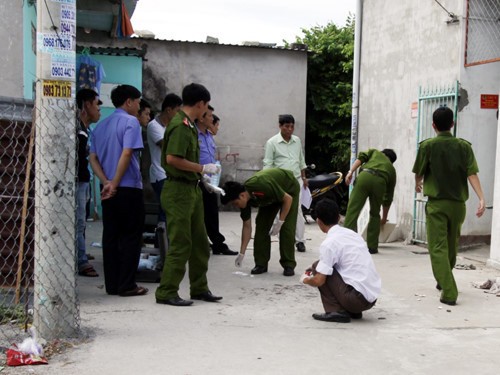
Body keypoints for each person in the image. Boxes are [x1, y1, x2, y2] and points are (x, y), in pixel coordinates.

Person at [155, 83, 222, 307]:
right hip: (178, 191)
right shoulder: (181, 126)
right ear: (201, 103)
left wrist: (202, 179)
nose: (208, 112)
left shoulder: (190, 126)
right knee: (181, 243)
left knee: (201, 243)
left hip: (191, 189)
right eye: (207, 107)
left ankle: (199, 288)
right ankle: (167, 291)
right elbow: (173, 159)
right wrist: (202, 169)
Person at [412, 106, 485, 306]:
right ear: (452, 124)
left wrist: (418, 182)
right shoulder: (464, 146)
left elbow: (418, 171)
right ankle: (444, 277)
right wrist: (481, 198)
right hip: (458, 205)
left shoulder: (427, 146)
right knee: (452, 245)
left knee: (437, 247)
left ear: (433, 125)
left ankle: (449, 291)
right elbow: (472, 174)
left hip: (437, 205)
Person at [89, 84, 148, 297]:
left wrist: (106, 181)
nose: (139, 106)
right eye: (138, 102)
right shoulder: (130, 122)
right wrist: (115, 181)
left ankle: (113, 285)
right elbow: (126, 153)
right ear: (129, 102)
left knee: (111, 236)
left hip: (107, 189)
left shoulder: (101, 126)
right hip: (128, 187)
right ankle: (127, 285)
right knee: (131, 236)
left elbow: (93, 158)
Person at [300, 199, 381, 323]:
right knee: (323, 265)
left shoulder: (329, 243)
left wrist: (306, 280)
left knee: (319, 267)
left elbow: (319, 281)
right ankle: (353, 311)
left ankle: (336, 311)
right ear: (338, 218)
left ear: (319, 222)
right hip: (371, 299)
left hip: (355, 299)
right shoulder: (352, 234)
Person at [220, 168, 299, 276]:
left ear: (242, 195)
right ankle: (261, 264)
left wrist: (280, 222)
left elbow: (288, 199)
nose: (236, 206)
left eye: (235, 203)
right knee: (261, 225)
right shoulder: (244, 202)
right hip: (269, 197)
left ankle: (288, 264)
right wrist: (242, 253)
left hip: (289, 189)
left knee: (287, 227)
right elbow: (247, 227)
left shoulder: (260, 184)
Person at [263, 114, 308, 252]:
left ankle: (300, 240)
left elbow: (301, 160)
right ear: (280, 126)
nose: (290, 129)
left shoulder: (297, 141)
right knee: (279, 208)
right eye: (287, 126)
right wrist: (268, 182)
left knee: (298, 210)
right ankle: (277, 233)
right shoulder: (272, 142)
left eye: (292, 126)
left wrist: (304, 177)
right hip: (280, 181)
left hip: (296, 180)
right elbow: (268, 164)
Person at [197, 106, 237, 256]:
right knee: (202, 213)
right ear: (201, 118)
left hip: (209, 180)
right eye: (210, 116)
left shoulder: (208, 136)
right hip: (198, 179)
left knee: (211, 211)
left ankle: (216, 243)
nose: (212, 119)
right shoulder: (193, 134)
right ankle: (207, 242)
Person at [343, 148, 397, 254]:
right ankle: (372, 247)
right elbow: (388, 198)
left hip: (365, 176)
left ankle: (346, 241)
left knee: (352, 210)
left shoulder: (374, 152)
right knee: (375, 214)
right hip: (380, 182)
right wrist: (384, 217)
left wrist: (351, 172)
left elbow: (361, 158)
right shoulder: (391, 169)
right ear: (392, 161)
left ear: (383, 153)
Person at [75, 88, 101, 277]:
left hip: (84, 180)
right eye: (96, 104)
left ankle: (80, 255)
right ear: (86, 105)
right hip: (77, 181)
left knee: (81, 221)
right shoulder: (77, 129)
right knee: (79, 222)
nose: (98, 108)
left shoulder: (85, 129)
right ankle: (81, 261)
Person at [147, 93, 182, 227]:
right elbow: (167, 147)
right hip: (160, 174)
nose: (179, 115)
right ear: (168, 110)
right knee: (166, 211)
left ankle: (165, 243)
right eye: (177, 111)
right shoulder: (154, 126)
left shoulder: (171, 126)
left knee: (169, 211)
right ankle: (161, 243)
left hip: (170, 175)